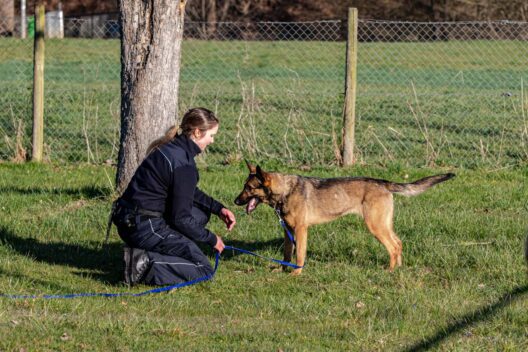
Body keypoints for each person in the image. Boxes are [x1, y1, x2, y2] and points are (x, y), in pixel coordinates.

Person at [112, 107, 236, 286]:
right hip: (144, 226)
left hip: (129, 220)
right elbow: (181, 218)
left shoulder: (172, 148)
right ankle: (141, 263)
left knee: (200, 214)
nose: (212, 141)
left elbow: (187, 192)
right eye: (211, 135)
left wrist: (218, 208)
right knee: (203, 269)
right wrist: (212, 239)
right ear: (197, 132)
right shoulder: (183, 163)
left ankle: (149, 251)